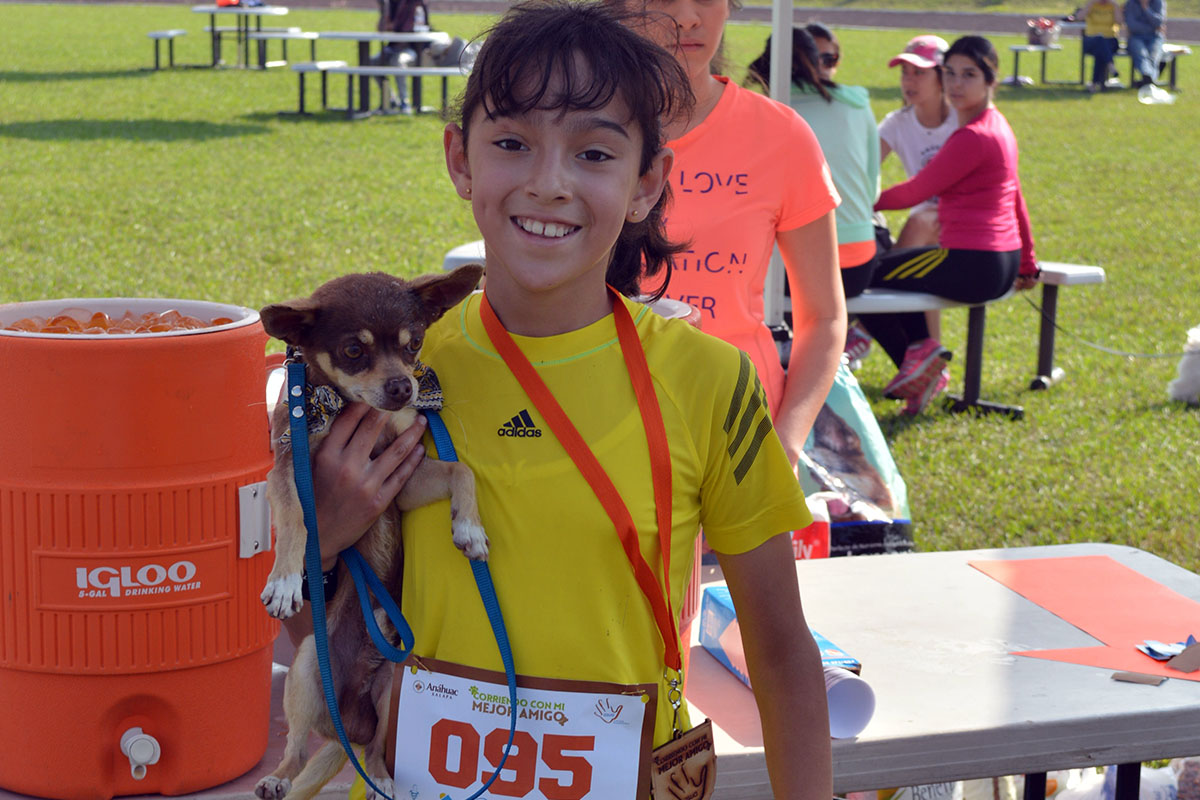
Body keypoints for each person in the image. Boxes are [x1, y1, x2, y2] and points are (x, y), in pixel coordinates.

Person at [289, 1, 833, 796]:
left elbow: (783, 652)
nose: (548, 184)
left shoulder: (706, 380)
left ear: (648, 182)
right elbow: (304, 628)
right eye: (512, 144)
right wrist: (324, 538)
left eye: (594, 152)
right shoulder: (393, 374)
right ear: (459, 160)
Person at [626, 0, 845, 471]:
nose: (687, 17)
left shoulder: (780, 136)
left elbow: (824, 317)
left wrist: (785, 443)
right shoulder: (576, 129)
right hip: (603, 427)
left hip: (740, 432)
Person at [864, 35, 1039, 415]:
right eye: (951, 74)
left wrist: (854, 203)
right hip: (999, 261)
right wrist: (1026, 261)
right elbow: (1017, 199)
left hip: (972, 263)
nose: (957, 84)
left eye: (969, 75)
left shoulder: (973, 137)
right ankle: (920, 356)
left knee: (863, 279)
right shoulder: (999, 125)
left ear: (991, 81)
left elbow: (915, 192)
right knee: (886, 276)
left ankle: (922, 352)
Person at [747, 26, 880, 302]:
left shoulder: (763, 112)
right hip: (859, 262)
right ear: (817, 61)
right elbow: (872, 192)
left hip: (784, 271)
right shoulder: (858, 104)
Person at [1081, 0, 1125, 91]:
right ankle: (1110, 65)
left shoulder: (1113, 6)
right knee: (1100, 40)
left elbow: (1120, 22)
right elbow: (1079, 17)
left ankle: (1094, 83)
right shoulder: (1091, 4)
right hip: (1091, 40)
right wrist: (1090, 4)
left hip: (1111, 41)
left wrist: (1115, 6)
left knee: (1100, 49)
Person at [1124, 0, 1167, 88]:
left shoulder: (1158, 2)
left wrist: (1146, 8)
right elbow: (1132, 25)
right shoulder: (1131, 3)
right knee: (1141, 54)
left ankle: (1147, 79)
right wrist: (1152, 27)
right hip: (1136, 37)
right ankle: (1149, 78)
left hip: (1154, 37)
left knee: (1154, 56)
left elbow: (1158, 22)